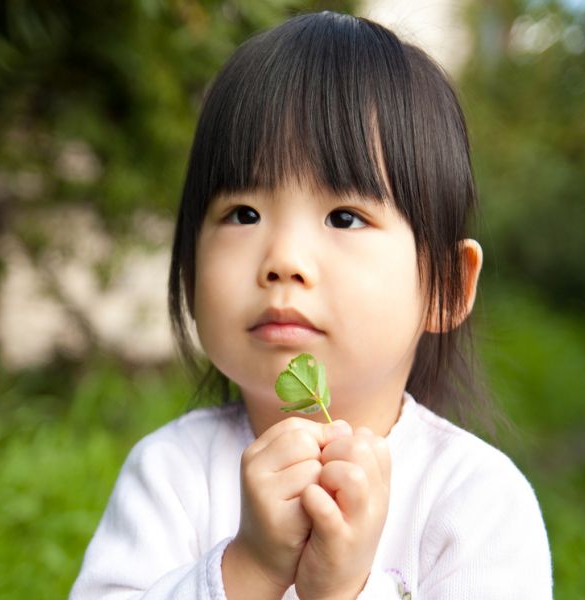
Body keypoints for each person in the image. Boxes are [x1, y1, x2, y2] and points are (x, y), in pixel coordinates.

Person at [70, 11, 552, 599]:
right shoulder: (171, 474)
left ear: (446, 286)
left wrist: (349, 589)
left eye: (344, 217)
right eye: (242, 213)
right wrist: (246, 571)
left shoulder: (475, 503)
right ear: (190, 268)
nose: (283, 259)